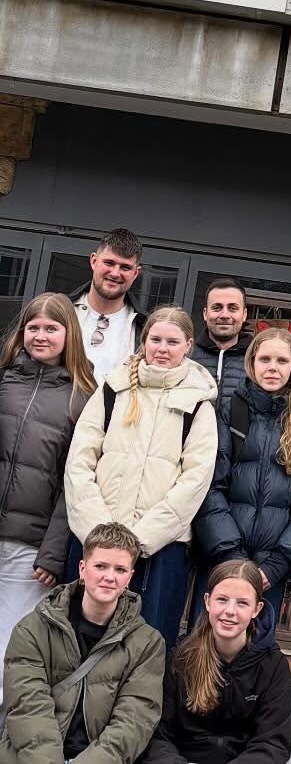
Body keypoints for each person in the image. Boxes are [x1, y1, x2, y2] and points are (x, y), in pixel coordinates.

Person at [64, 306, 219, 648]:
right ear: (144, 341)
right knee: (77, 642)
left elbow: (195, 480)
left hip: (159, 550)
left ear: (188, 346)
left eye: (172, 342)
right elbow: (80, 461)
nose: (162, 348)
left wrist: (139, 539)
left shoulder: (199, 406)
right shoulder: (112, 390)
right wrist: (99, 532)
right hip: (94, 543)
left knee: (144, 649)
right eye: (155, 339)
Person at [192, 326, 291, 646]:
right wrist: (230, 556)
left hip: (271, 572)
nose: (273, 367)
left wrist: (278, 563)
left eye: (282, 360)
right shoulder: (229, 413)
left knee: (254, 659)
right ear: (251, 363)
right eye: (265, 359)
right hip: (221, 561)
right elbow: (208, 486)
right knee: (204, 653)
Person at [0, 520, 165, 764]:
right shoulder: (32, 628)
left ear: (130, 577)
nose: (110, 577)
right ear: (82, 568)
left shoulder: (148, 643)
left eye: (120, 570)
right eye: (101, 566)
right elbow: (27, 706)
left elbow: (134, 721)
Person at [0, 294, 95, 670]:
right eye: (33, 327)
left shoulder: (83, 397)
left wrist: (54, 552)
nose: (40, 335)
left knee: (11, 645)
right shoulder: (3, 378)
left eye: (51, 328)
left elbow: (73, 482)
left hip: (30, 549)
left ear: (68, 333)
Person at [140, 557, 291, 763]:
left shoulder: (273, 666)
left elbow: (272, 744)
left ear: (256, 610)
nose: (230, 611)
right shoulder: (181, 658)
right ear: (207, 601)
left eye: (242, 603)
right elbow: (157, 734)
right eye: (222, 599)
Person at [71, 231, 144, 389]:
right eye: (109, 263)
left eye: (125, 267)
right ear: (93, 261)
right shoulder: (60, 312)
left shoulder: (144, 329)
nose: (115, 273)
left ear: (136, 273)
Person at [189, 286, 248, 419]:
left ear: (244, 314)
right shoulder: (186, 356)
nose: (225, 315)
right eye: (217, 308)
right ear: (205, 313)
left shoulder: (256, 360)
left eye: (233, 308)